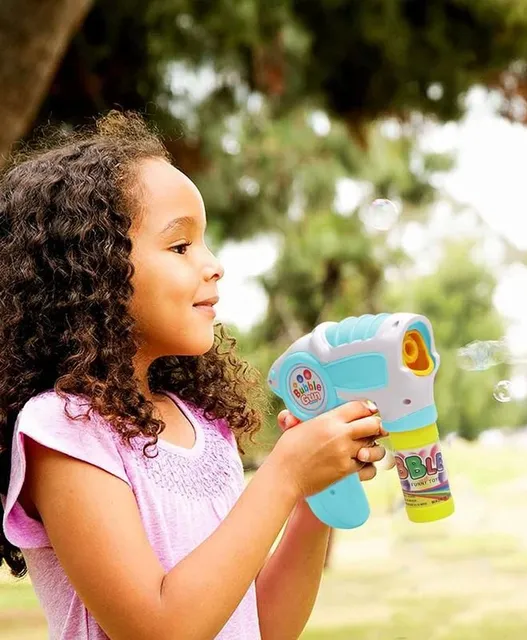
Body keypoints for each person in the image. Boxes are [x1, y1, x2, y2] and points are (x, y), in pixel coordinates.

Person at [0, 112, 388, 640]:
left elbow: (264, 626)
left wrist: (315, 496)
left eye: (205, 242)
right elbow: (161, 629)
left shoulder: (206, 425)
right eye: (181, 246)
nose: (213, 264)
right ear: (95, 270)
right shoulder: (62, 430)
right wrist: (285, 473)